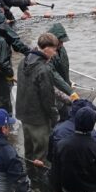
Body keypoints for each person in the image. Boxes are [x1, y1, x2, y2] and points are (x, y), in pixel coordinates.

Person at [44, 98, 96, 192]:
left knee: (49, 179)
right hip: (84, 182)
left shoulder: (58, 130)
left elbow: (50, 157)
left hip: (61, 176)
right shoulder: (95, 136)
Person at [15, 32, 61, 171]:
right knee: (41, 155)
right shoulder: (44, 69)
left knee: (28, 150)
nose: (55, 52)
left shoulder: (24, 61)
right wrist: (55, 117)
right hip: (38, 119)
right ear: (46, 48)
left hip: (23, 113)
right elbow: (48, 98)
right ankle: (38, 185)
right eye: (54, 49)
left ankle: (28, 175)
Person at [47, 23, 76, 116]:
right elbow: (53, 74)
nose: (62, 44)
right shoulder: (47, 54)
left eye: (63, 42)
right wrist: (70, 91)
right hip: (53, 91)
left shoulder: (62, 49)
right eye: (60, 41)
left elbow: (64, 67)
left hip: (64, 88)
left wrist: (68, 82)